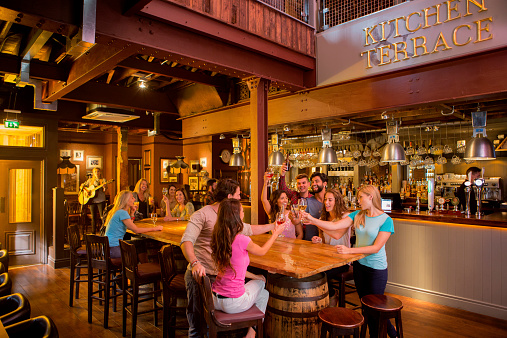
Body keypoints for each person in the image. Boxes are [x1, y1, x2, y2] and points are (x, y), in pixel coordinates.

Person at [180, 178, 275, 337]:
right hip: (199, 276)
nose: (240, 198)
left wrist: (274, 226)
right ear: (230, 197)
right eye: (238, 195)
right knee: (197, 326)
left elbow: (250, 229)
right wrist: (195, 262)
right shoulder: (202, 214)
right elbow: (186, 241)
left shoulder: (230, 217)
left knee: (211, 327)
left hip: (218, 277)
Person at [302, 185, 396, 338]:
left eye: (360, 197)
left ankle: (392, 334)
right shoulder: (358, 215)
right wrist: (312, 220)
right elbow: (335, 226)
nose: (358, 201)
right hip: (360, 266)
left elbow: (375, 248)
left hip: (376, 270)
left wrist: (349, 251)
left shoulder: (386, 220)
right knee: (366, 308)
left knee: (376, 310)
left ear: (370, 197)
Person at [211, 199, 285, 338]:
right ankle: (251, 334)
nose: (243, 213)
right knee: (263, 289)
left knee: (259, 284)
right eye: (242, 211)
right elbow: (262, 251)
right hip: (232, 303)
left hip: (214, 299)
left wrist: (256, 276)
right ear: (236, 216)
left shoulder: (219, 237)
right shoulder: (241, 239)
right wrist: (275, 233)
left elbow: (236, 269)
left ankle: (250, 333)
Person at [311, 188, 351, 306]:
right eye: (325, 200)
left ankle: (331, 297)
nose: (326, 203)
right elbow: (324, 241)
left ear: (337, 201)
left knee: (320, 275)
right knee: (312, 271)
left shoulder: (346, 217)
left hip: (342, 260)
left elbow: (337, 235)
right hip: (326, 258)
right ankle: (322, 302)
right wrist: (318, 241)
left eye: (330, 200)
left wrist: (315, 222)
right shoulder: (323, 218)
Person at [104, 190, 163, 258]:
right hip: (114, 249)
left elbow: (129, 226)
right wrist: (155, 228)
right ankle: (140, 266)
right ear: (126, 200)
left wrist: (132, 213)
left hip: (109, 247)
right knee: (140, 244)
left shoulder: (118, 211)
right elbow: (136, 230)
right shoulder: (122, 213)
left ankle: (140, 266)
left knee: (139, 243)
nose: (134, 199)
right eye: (132, 198)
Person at [261, 172, 303, 239]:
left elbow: (300, 234)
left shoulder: (292, 213)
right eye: (282, 198)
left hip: (291, 247)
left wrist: (295, 247)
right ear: (276, 201)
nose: (285, 200)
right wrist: (265, 182)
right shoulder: (272, 213)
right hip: (276, 246)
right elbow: (264, 200)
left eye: (286, 198)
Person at [80, 168, 107, 233]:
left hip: (100, 200)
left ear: (100, 172)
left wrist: (104, 187)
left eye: (98, 171)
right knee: (93, 217)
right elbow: (82, 186)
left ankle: (103, 231)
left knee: (102, 217)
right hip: (92, 201)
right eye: (95, 171)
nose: (97, 173)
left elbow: (104, 190)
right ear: (93, 173)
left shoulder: (103, 180)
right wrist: (87, 191)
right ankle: (93, 232)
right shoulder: (90, 180)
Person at [302, 172, 328, 241]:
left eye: (317, 181)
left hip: (328, 242)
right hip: (310, 242)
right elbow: (300, 220)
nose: (314, 184)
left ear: (324, 183)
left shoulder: (331, 202)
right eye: (312, 182)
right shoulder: (307, 202)